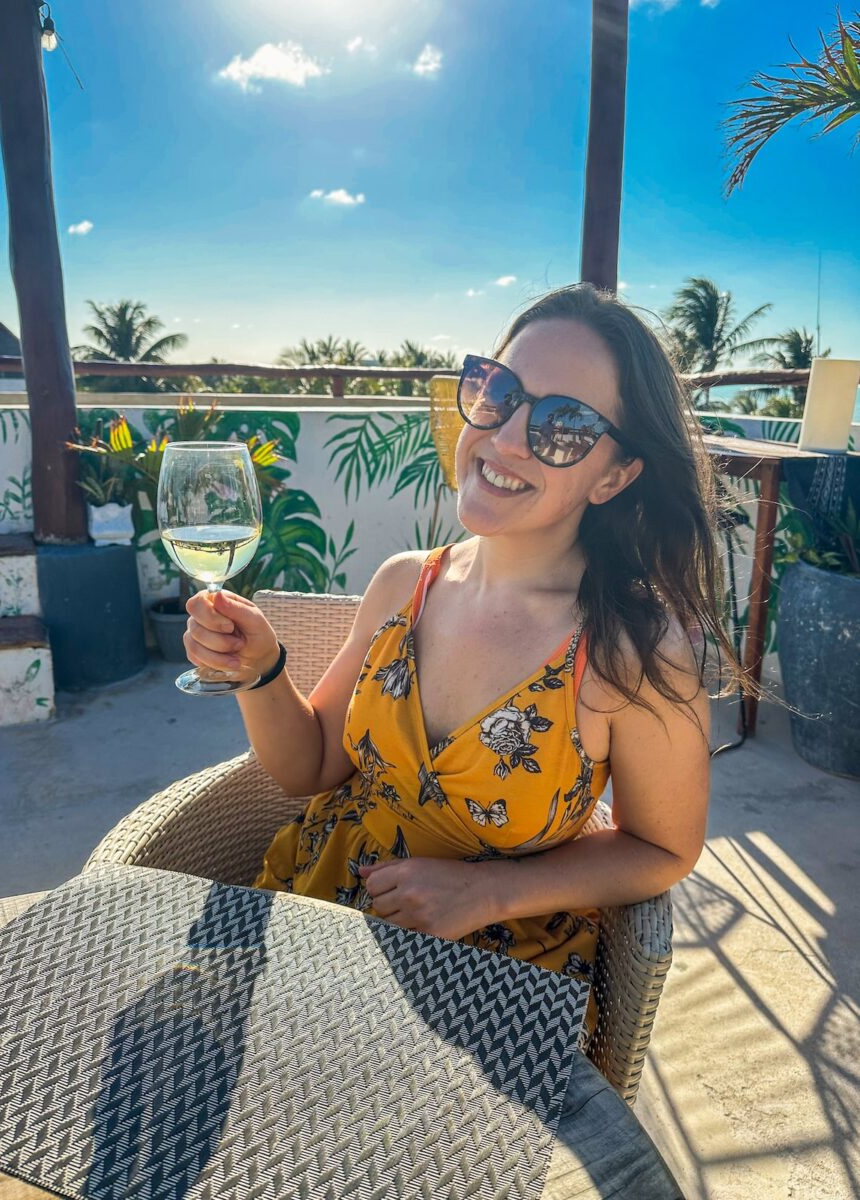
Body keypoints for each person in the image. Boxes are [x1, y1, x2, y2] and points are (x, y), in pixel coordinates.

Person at [183, 283, 745, 1030]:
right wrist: (261, 670)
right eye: (500, 392)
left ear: (614, 476)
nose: (508, 439)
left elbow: (663, 848)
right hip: (308, 920)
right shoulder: (401, 584)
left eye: (565, 425)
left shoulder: (629, 653)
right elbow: (308, 768)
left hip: (486, 978)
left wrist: (486, 894)